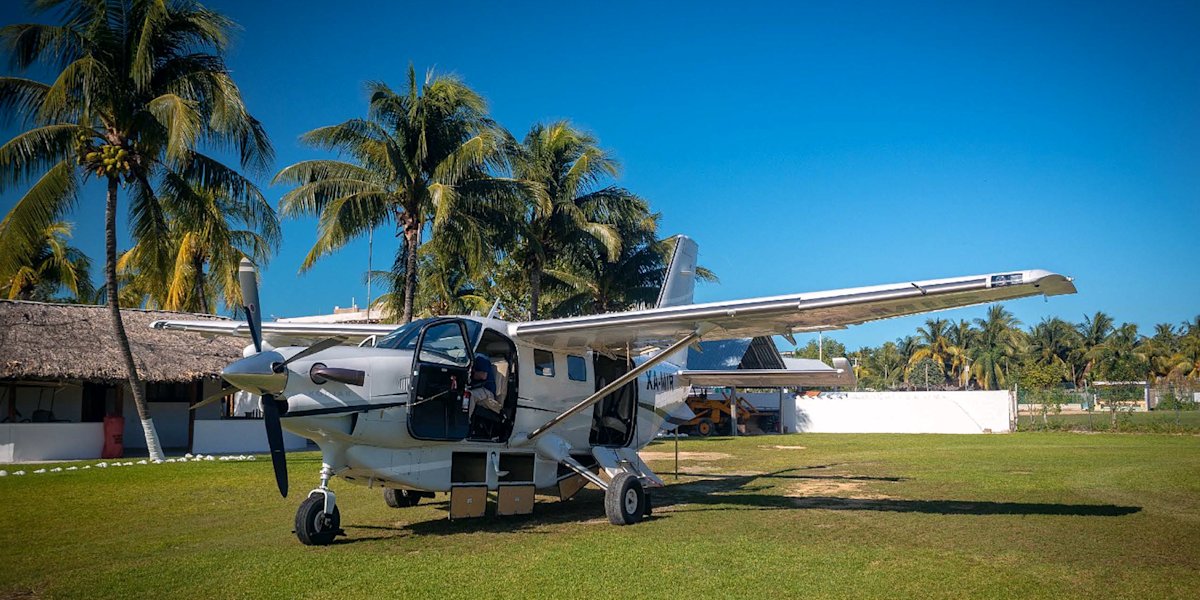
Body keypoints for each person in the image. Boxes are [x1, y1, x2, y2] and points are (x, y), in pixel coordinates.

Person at [468, 353, 503, 423]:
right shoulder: (465, 359)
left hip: (487, 390)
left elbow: (483, 376)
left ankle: (466, 421)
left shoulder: (481, 358)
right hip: (475, 387)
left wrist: (470, 373)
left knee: (471, 395)